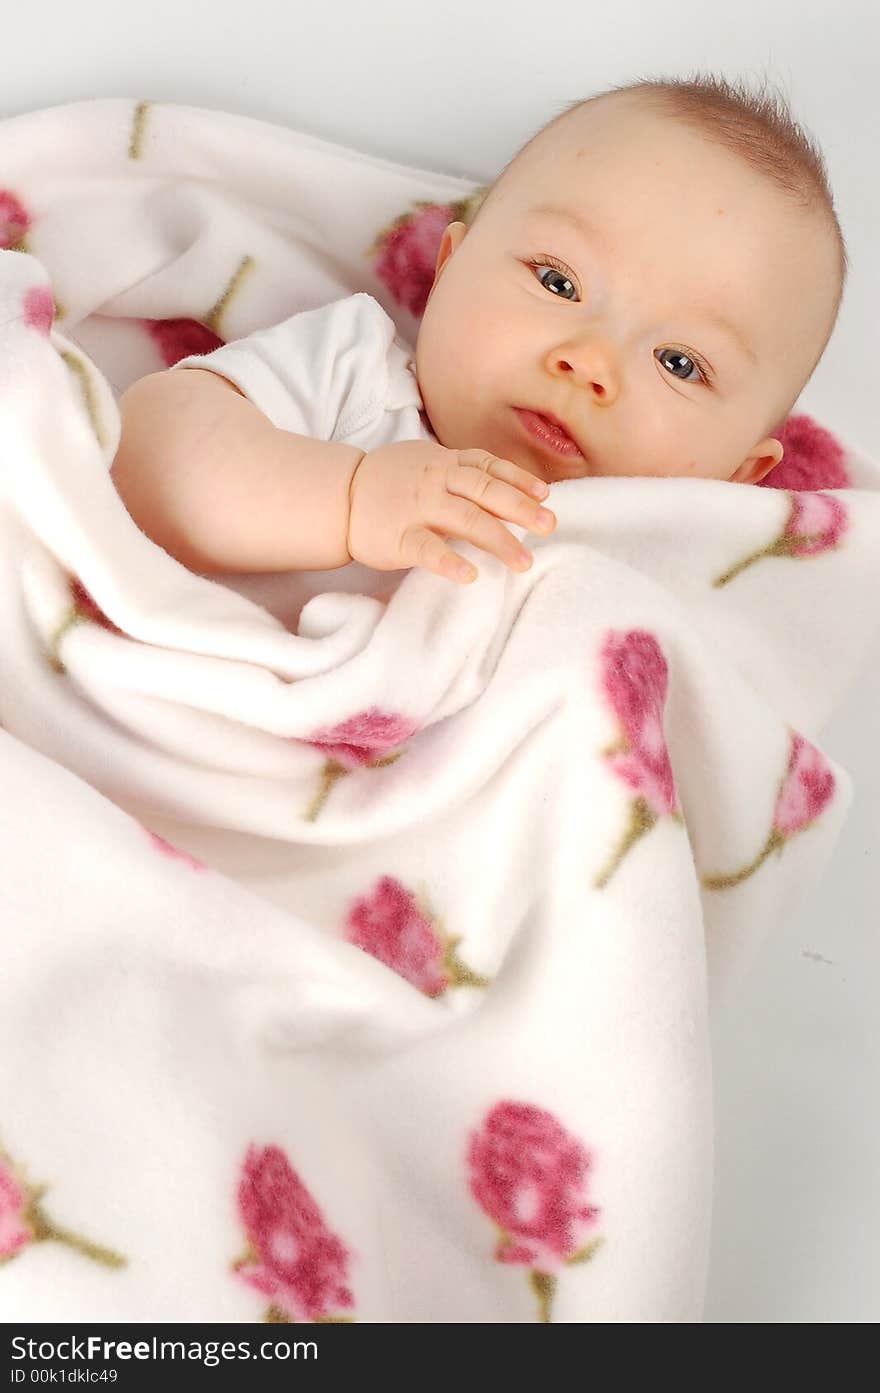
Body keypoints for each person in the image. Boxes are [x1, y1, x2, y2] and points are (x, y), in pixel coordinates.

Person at [110, 74, 846, 587]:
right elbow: (146, 452)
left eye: (681, 362)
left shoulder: (688, 572)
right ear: (448, 271)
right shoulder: (355, 374)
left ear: (740, 479)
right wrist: (352, 497)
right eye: (558, 281)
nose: (590, 362)